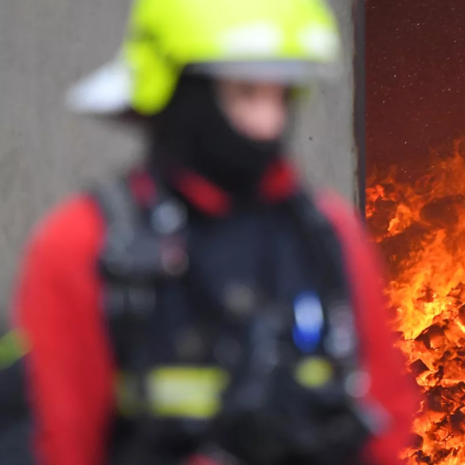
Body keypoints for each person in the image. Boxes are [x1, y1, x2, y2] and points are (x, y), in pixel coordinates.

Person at [7, 0, 420, 464]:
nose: (269, 123)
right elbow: (58, 442)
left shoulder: (326, 236)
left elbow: (384, 416)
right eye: (245, 93)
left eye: (280, 95)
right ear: (181, 91)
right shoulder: (84, 244)